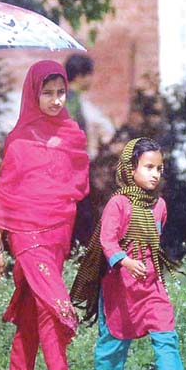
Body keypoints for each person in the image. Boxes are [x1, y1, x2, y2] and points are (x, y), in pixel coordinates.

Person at [0, 60, 90, 370]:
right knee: (52, 305)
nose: (55, 100)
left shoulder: (72, 134)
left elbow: (74, 188)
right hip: (25, 232)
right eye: (47, 93)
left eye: (60, 92)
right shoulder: (18, 139)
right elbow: (5, 194)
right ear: (33, 93)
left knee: (33, 313)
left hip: (57, 232)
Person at [71, 137, 186, 370]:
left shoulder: (159, 205)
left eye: (160, 169)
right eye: (149, 167)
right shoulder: (118, 203)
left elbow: (154, 242)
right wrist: (126, 261)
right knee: (114, 339)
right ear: (131, 168)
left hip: (151, 285)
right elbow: (108, 240)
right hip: (120, 285)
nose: (155, 174)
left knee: (166, 334)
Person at [64, 54, 115, 246]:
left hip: (68, 169)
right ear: (80, 76)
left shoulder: (65, 98)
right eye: (89, 75)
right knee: (82, 219)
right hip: (75, 170)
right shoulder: (74, 101)